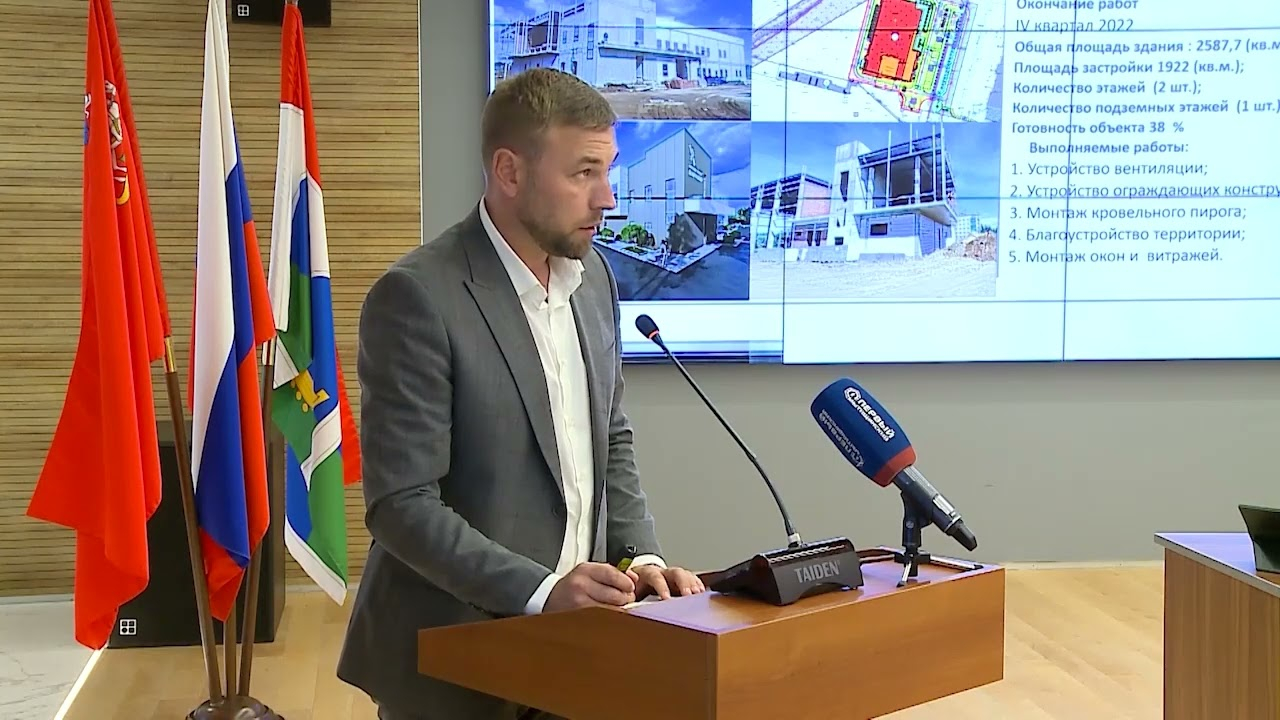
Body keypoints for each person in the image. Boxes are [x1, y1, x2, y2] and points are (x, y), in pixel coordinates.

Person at [335, 67, 707, 720]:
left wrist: (638, 556)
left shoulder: (595, 280)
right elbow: (401, 505)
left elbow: (610, 436)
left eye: (608, 170)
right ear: (509, 172)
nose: (607, 198)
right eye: (583, 172)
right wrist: (542, 592)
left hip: (576, 652)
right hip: (455, 660)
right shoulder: (418, 297)